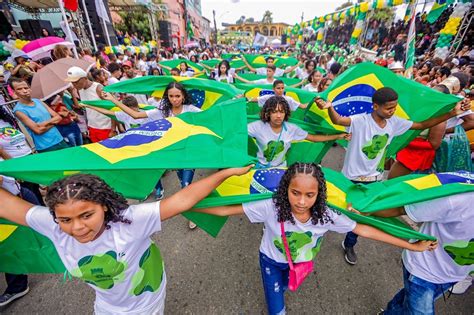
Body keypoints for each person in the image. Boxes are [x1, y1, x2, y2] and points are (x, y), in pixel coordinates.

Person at [0, 165, 253, 314]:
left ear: (105, 207)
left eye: (87, 215)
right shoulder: (51, 224)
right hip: (106, 307)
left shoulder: (131, 220)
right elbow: (6, 203)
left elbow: (182, 200)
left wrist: (226, 174)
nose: (76, 227)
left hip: (147, 302)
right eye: (65, 219)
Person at [193, 162, 437, 315]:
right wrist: (185, 205)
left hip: (301, 263)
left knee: (290, 285)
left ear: (319, 194)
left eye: (309, 195)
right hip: (269, 260)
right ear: (285, 189)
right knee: (276, 304)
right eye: (295, 193)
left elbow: (365, 230)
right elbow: (225, 209)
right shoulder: (270, 206)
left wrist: (410, 246)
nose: (301, 201)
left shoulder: (328, 214)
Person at [316, 87, 470, 264]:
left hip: (373, 181)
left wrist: (452, 113)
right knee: (332, 209)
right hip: (349, 179)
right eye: (389, 108)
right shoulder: (360, 121)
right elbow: (338, 119)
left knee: (361, 215)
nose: (393, 111)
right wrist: (329, 107)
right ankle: (318, 234)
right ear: (375, 106)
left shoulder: (394, 122)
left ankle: (350, 243)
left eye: (394, 107)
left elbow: (422, 125)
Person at [354, 191, 473, 314]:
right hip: (424, 270)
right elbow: (401, 208)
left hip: (453, 275)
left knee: (405, 300)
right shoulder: (459, 199)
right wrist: (365, 212)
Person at [248, 96, 350, 168]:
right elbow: (236, 131)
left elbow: (313, 138)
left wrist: (337, 136)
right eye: (274, 112)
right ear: (268, 113)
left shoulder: (292, 129)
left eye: (282, 112)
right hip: (259, 169)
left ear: (286, 113)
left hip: (281, 169)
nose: (278, 115)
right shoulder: (257, 126)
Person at [10, 78, 68, 153]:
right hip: (46, 146)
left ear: (30, 89)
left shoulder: (37, 101)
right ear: (14, 92)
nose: (24, 91)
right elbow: (38, 130)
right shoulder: (19, 110)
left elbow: (58, 117)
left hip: (59, 139)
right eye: (19, 89)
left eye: (26, 88)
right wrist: (54, 122)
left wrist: (43, 124)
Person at [65, 66, 116, 143]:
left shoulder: (98, 88)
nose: (74, 84)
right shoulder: (80, 90)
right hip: (92, 127)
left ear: (85, 78)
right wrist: (72, 92)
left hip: (106, 128)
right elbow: (80, 106)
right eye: (72, 82)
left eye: (76, 82)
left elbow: (112, 108)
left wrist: (113, 129)